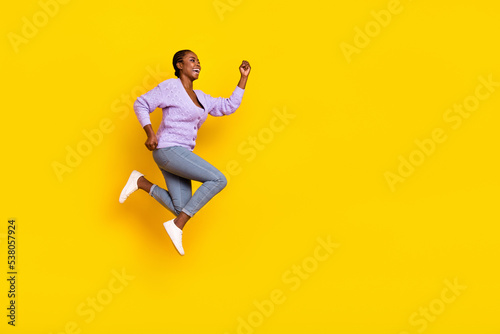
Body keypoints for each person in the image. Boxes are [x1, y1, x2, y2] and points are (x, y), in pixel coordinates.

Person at [119, 50, 251, 256]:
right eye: (192, 60)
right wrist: (150, 133)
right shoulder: (171, 87)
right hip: (168, 149)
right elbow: (141, 104)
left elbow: (229, 106)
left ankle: (141, 182)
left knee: (181, 207)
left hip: (179, 155)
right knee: (218, 179)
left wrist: (243, 78)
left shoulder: (202, 98)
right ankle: (178, 225)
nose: (197, 63)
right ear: (180, 65)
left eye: (199, 61)